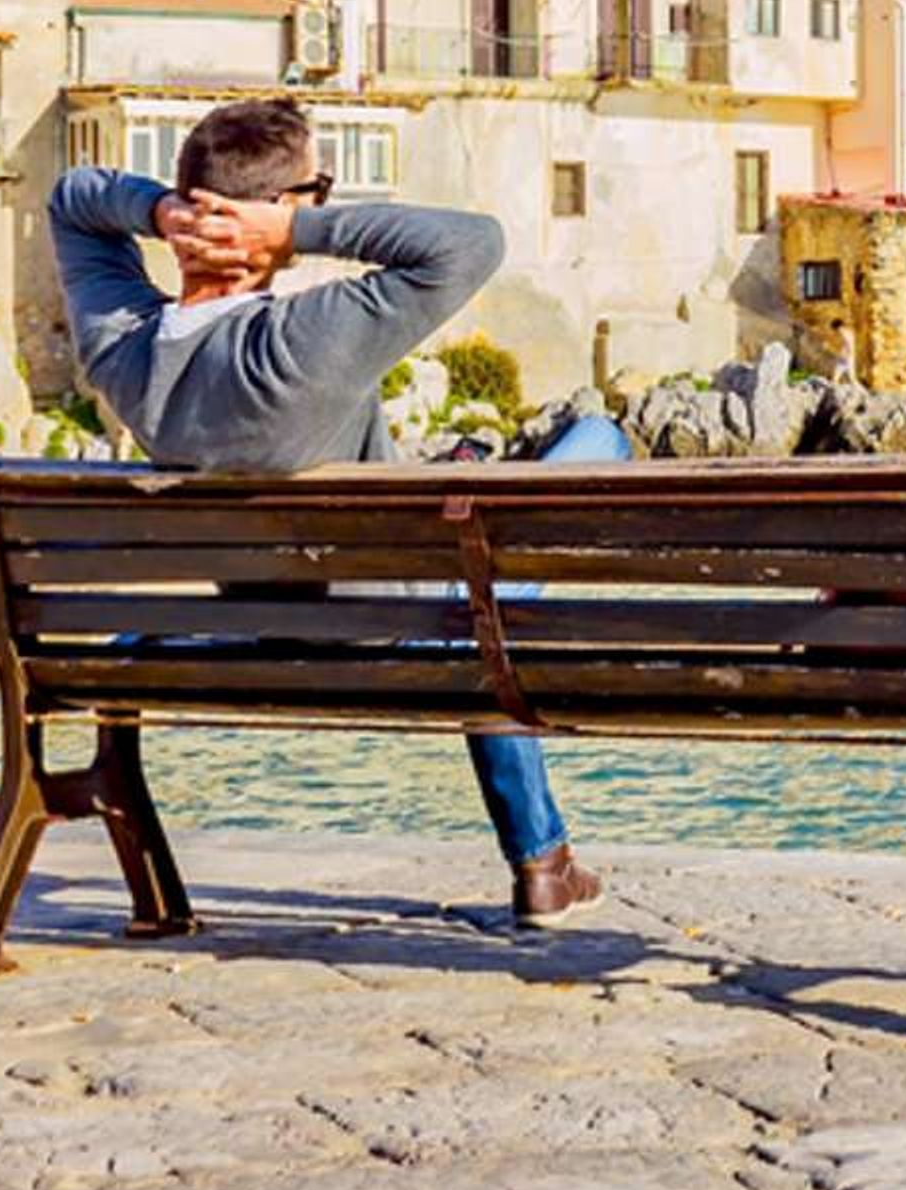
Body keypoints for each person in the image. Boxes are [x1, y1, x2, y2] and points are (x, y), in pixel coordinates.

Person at [47, 98, 609, 927]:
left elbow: (72, 197)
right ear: (283, 208)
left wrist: (161, 214)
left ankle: (545, 863)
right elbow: (472, 243)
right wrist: (294, 235)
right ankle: (542, 862)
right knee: (591, 440)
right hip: (390, 630)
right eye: (319, 191)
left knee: (470, 594)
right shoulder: (307, 340)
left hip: (255, 630)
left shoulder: (125, 348)